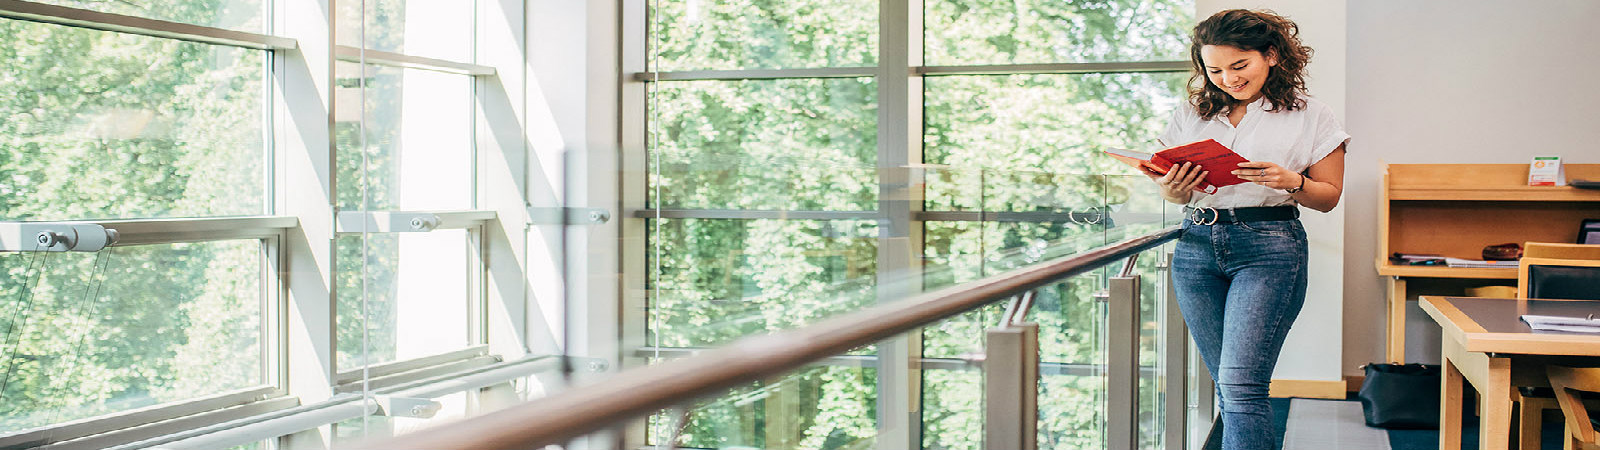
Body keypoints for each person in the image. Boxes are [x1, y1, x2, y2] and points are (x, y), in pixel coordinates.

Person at [1149, 9, 1348, 450]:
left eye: (1239, 65)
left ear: (1272, 55)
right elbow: (1172, 193)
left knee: (1241, 387)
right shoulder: (1191, 114)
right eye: (1215, 70)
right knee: (1228, 386)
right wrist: (1173, 189)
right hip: (1195, 248)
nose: (1229, 79)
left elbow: (1329, 197)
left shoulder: (1312, 114)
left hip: (1268, 248)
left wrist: (1292, 181)